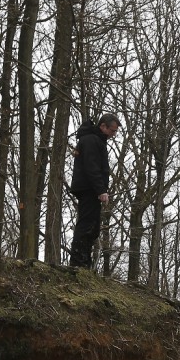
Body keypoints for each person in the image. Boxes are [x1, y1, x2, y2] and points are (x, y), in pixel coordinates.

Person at [69, 113, 119, 268]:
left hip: (91, 188)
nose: (113, 134)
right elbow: (92, 167)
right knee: (87, 224)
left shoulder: (96, 140)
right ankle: (78, 262)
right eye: (112, 130)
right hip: (88, 188)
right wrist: (100, 190)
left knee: (93, 226)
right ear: (103, 126)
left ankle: (84, 262)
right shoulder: (91, 140)